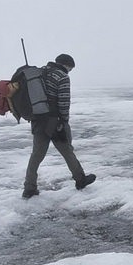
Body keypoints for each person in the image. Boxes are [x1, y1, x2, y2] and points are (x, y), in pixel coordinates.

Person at [23, 54, 96, 199]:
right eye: (70, 68)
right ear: (66, 65)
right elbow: (63, 101)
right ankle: (80, 179)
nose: (70, 71)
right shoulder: (62, 76)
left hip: (38, 120)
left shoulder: (40, 73)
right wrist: (64, 121)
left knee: (36, 155)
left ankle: (29, 188)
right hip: (54, 121)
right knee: (67, 150)